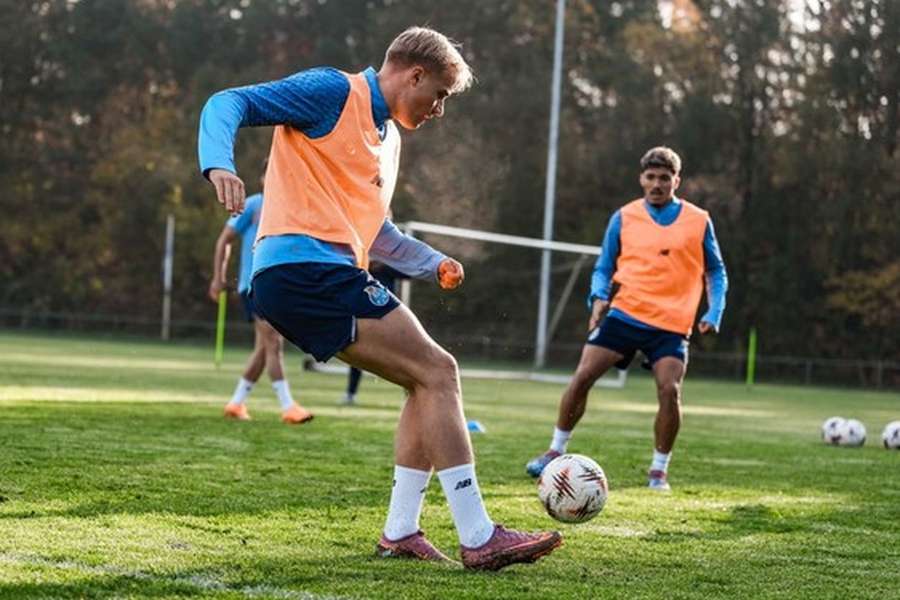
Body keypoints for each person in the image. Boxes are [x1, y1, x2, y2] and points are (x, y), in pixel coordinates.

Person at [198, 26, 561, 570]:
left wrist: (430, 260)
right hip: (305, 270)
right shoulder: (331, 91)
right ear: (413, 74)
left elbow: (377, 233)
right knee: (441, 371)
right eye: (437, 94)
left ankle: (401, 531)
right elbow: (229, 101)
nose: (439, 109)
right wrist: (219, 162)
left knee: (423, 382)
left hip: (320, 274)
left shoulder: (389, 140)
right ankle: (479, 535)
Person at [525, 146, 728, 491]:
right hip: (626, 313)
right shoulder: (624, 216)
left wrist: (714, 309)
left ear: (676, 180)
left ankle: (658, 471)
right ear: (641, 179)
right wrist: (599, 297)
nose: (657, 184)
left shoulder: (698, 220)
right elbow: (604, 267)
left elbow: (716, 271)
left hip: (671, 324)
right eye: (651, 177)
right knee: (583, 376)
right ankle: (554, 451)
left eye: (665, 178)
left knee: (669, 390)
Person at [208, 169, 313, 425]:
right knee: (273, 343)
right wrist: (218, 276)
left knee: (264, 347)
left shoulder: (293, 206)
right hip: (253, 285)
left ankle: (236, 402)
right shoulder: (254, 205)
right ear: (263, 178)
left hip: (279, 286)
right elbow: (225, 240)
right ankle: (288, 406)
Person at [339, 261, 408, 406]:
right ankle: (350, 394)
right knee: (358, 356)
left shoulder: (387, 266)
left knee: (403, 357)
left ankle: (411, 395)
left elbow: (408, 273)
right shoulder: (359, 264)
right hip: (363, 315)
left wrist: (386, 264)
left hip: (388, 316)